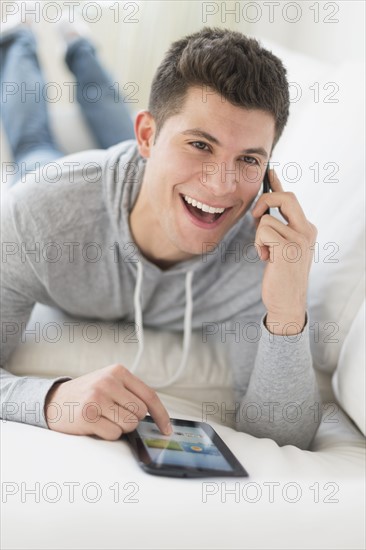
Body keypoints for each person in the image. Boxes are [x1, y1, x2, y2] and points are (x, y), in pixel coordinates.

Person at [0, 22, 321, 449]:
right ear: (147, 136)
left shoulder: (258, 257)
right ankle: (20, 40)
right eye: (201, 145)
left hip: (141, 176)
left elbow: (285, 434)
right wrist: (52, 399)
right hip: (63, 182)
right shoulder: (39, 215)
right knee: (33, 146)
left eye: (247, 159)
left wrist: (286, 312)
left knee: (141, 153)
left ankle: (78, 46)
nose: (222, 185)